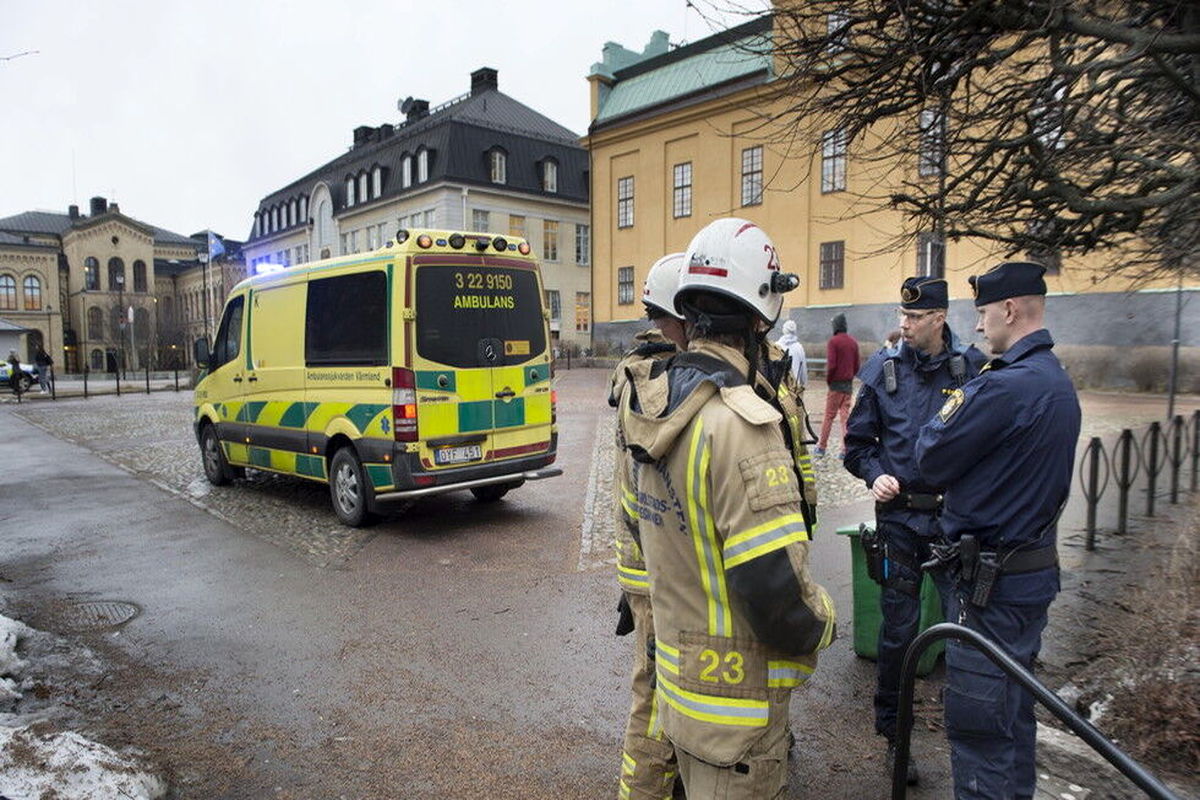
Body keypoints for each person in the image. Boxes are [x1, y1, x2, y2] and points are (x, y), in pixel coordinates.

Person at [618, 218, 835, 798]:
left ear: (689, 316)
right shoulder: (741, 424)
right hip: (737, 718)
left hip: (683, 697)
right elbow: (777, 597)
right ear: (761, 316)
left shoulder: (656, 409)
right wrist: (826, 623)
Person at [915, 262, 1081, 800]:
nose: (981, 327)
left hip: (990, 588)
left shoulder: (1005, 386)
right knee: (1013, 717)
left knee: (980, 727)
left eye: (984, 313)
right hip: (1027, 577)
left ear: (1009, 309)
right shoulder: (1055, 380)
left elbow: (930, 455)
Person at [842, 276, 985, 784]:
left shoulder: (971, 369)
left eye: (914, 318)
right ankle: (896, 738)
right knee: (899, 634)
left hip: (952, 523)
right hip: (900, 521)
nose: (903, 326)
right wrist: (874, 472)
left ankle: (970, 745)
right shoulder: (884, 370)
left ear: (940, 318)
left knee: (966, 634)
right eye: (901, 317)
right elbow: (856, 445)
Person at [608, 252, 687, 800]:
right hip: (659, 568)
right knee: (658, 692)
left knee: (655, 687)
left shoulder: (635, 369)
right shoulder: (662, 376)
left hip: (642, 563)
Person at [815, 313, 858, 456]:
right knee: (845, 418)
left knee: (829, 416)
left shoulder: (833, 342)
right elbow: (857, 365)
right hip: (848, 385)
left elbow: (832, 365)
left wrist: (829, 381)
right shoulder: (853, 342)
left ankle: (821, 447)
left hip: (835, 385)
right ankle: (845, 450)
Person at [774, 319, 807, 387]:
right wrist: (804, 382)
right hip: (794, 386)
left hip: (780, 385)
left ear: (784, 330)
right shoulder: (799, 347)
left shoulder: (777, 345)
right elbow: (803, 368)